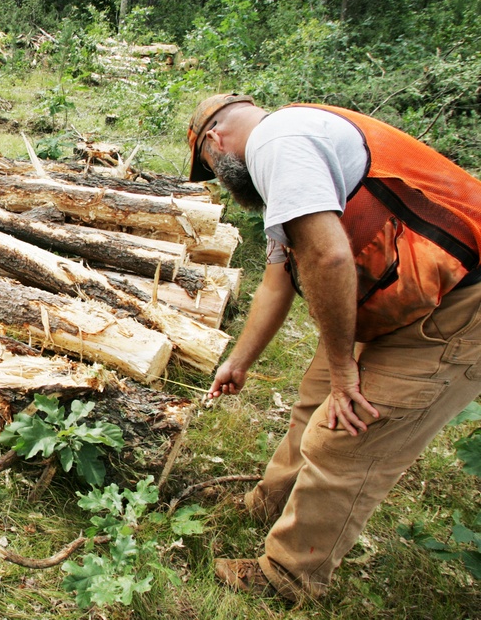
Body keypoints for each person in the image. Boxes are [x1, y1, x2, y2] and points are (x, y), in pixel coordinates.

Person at [186, 93, 481, 601]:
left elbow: (327, 257)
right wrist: (239, 361)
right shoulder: (288, 152)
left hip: (456, 300)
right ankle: (270, 502)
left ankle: (288, 577)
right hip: (399, 295)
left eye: (211, 171)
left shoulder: (280, 143)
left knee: (348, 433)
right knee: (314, 399)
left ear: (215, 142)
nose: (223, 186)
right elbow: (278, 282)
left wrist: (346, 370)